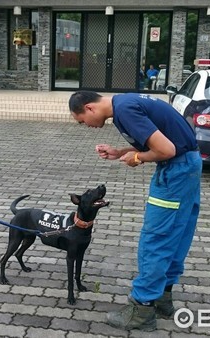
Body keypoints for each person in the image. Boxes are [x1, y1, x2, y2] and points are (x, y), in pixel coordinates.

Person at [68, 91, 201, 331]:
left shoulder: (125, 110)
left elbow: (167, 150)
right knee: (176, 235)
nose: (85, 126)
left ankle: (142, 308)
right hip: (189, 165)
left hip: (175, 172)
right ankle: (162, 299)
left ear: (89, 108)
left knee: (156, 240)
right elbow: (162, 140)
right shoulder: (127, 102)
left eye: (81, 121)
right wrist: (119, 153)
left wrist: (138, 157)